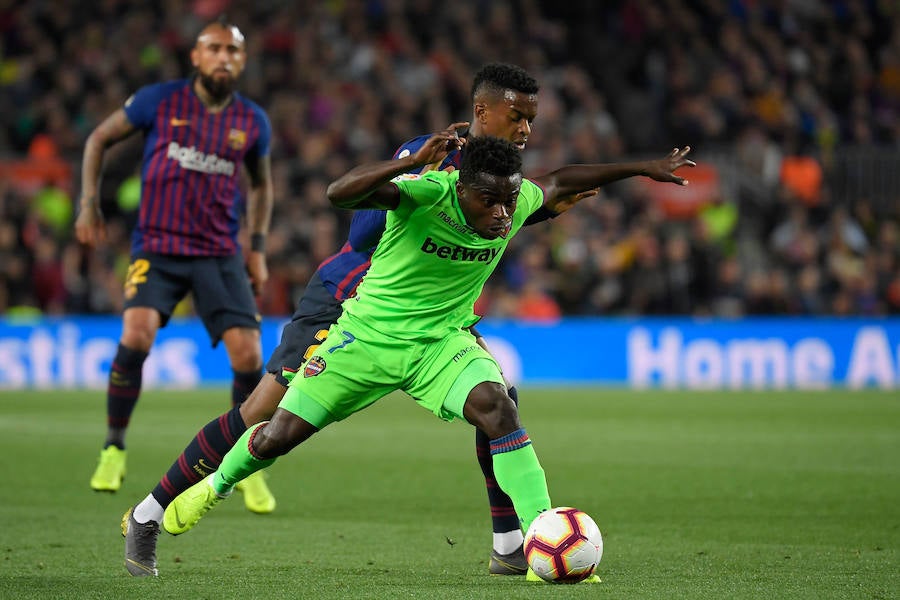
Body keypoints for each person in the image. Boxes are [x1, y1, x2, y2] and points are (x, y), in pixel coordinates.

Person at [120, 62, 693, 577]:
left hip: (436, 328)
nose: (524, 129)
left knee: (497, 403)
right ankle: (159, 509)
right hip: (355, 296)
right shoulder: (432, 163)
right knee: (264, 422)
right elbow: (360, 223)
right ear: (482, 111)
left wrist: (640, 168)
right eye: (517, 117)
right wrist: (415, 192)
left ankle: (521, 540)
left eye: (531, 121)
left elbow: (552, 186)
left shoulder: (509, 186)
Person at [75, 18, 275, 520]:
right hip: (158, 248)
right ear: (195, 55)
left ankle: (246, 464)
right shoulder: (157, 101)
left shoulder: (252, 121)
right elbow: (98, 139)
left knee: (249, 352)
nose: (223, 57)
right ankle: (114, 447)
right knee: (137, 334)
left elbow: (262, 185)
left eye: (232, 50)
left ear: (242, 61)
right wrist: (87, 203)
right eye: (213, 48)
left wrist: (256, 247)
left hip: (218, 252)